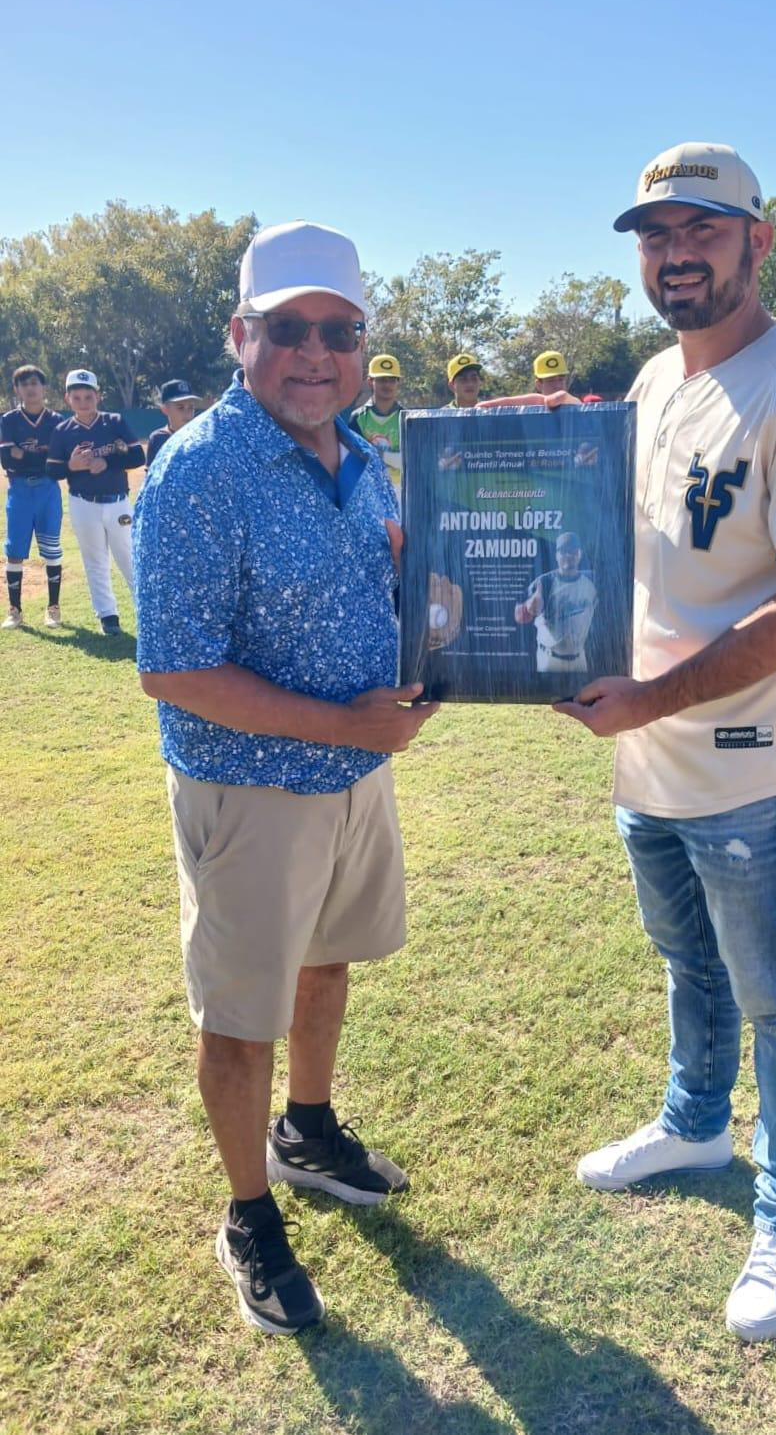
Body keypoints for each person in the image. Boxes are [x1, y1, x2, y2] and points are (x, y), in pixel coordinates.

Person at [556, 142, 776, 1342]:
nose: (673, 252)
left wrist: (652, 695)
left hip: (746, 759)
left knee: (775, 995)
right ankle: (696, 1122)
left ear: (758, 240)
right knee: (686, 966)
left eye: (699, 228)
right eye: (652, 234)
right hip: (650, 754)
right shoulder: (648, 379)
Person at [133, 220, 438, 1336]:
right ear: (239, 333)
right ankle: (248, 1211)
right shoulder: (199, 467)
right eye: (290, 328)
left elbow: (398, 579)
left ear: (363, 346)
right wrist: (337, 721)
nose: (318, 353)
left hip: (357, 773)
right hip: (252, 788)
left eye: (340, 331)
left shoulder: (359, 454)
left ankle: (307, 1130)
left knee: (326, 967)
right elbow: (174, 668)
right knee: (240, 1016)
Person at [47, 369, 145, 636]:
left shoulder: (114, 422)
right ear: (68, 399)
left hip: (118, 502)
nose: (83, 402)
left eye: (88, 396)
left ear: (97, 396)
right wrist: (71, 465)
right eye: (76, 397)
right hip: (83, 503)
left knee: (129, 556)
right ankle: (108, 616)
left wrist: (108, 461)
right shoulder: (62, 431)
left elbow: (137, 456)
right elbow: (53, 471)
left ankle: (146, 611)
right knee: (95, 560)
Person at [1, 365, 64, 629]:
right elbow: (5, 456)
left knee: (51, 549)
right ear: (17, 389)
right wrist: (41, 454)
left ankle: (53, 608)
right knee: (15, 551)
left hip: (48, 488)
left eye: (35, 383)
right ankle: (14, 610)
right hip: (19, 489)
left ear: (44, 387)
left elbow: (58, 463)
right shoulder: (8, 420)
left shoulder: (56, 420)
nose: (30, 388)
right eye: (24, 384)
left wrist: (23, 454)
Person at [514, 531, 597, 671]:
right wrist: (529, 608)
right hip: (550, 659)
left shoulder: (593, 581)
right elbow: (519, 616)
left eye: (572, 551)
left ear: (580, 554)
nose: (568, 556)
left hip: (579, 659)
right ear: (556, 555)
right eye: (563, 552)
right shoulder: (544, 582)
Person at [350, 353, 403, 491]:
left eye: (392, 380)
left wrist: (382, 455)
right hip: (369, 491)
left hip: (400, 490)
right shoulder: (357, 419)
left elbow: (412, 462)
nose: (387, 385)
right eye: (381, 380)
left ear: (398, 382)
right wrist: (393, 458)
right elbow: (355, 461)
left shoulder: (406, 419)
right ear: (370, 382)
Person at [147, 379, 201, 467]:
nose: (187, 413)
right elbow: (151, 476)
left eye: (191, 407)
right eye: (180, 408)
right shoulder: (158, 438)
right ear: (165, 409)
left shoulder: (201, 436)